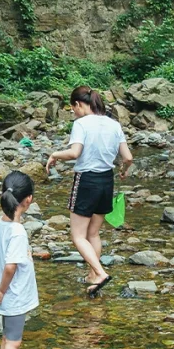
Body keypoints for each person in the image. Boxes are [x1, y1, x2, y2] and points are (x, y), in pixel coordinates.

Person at [45, 84, 132, 296]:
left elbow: (75, 153)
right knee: (93, 233)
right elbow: (128, 157)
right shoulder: (114, 125)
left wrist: (55, 154)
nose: (73, 112)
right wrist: (123, 170)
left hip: (86, 181)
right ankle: (93, 276)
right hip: (106, 181)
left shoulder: (81, 124)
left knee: (78, 236)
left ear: (78, 104)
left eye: (72, 108)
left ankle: (100, 273)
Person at [0, 171, 40, 349]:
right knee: (13, 342)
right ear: (28, 200)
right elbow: (11, 266)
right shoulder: (17, 232)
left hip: (7, 292)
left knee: (7, 337)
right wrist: (1, 290)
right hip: (13, 294)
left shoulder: (2, 224)